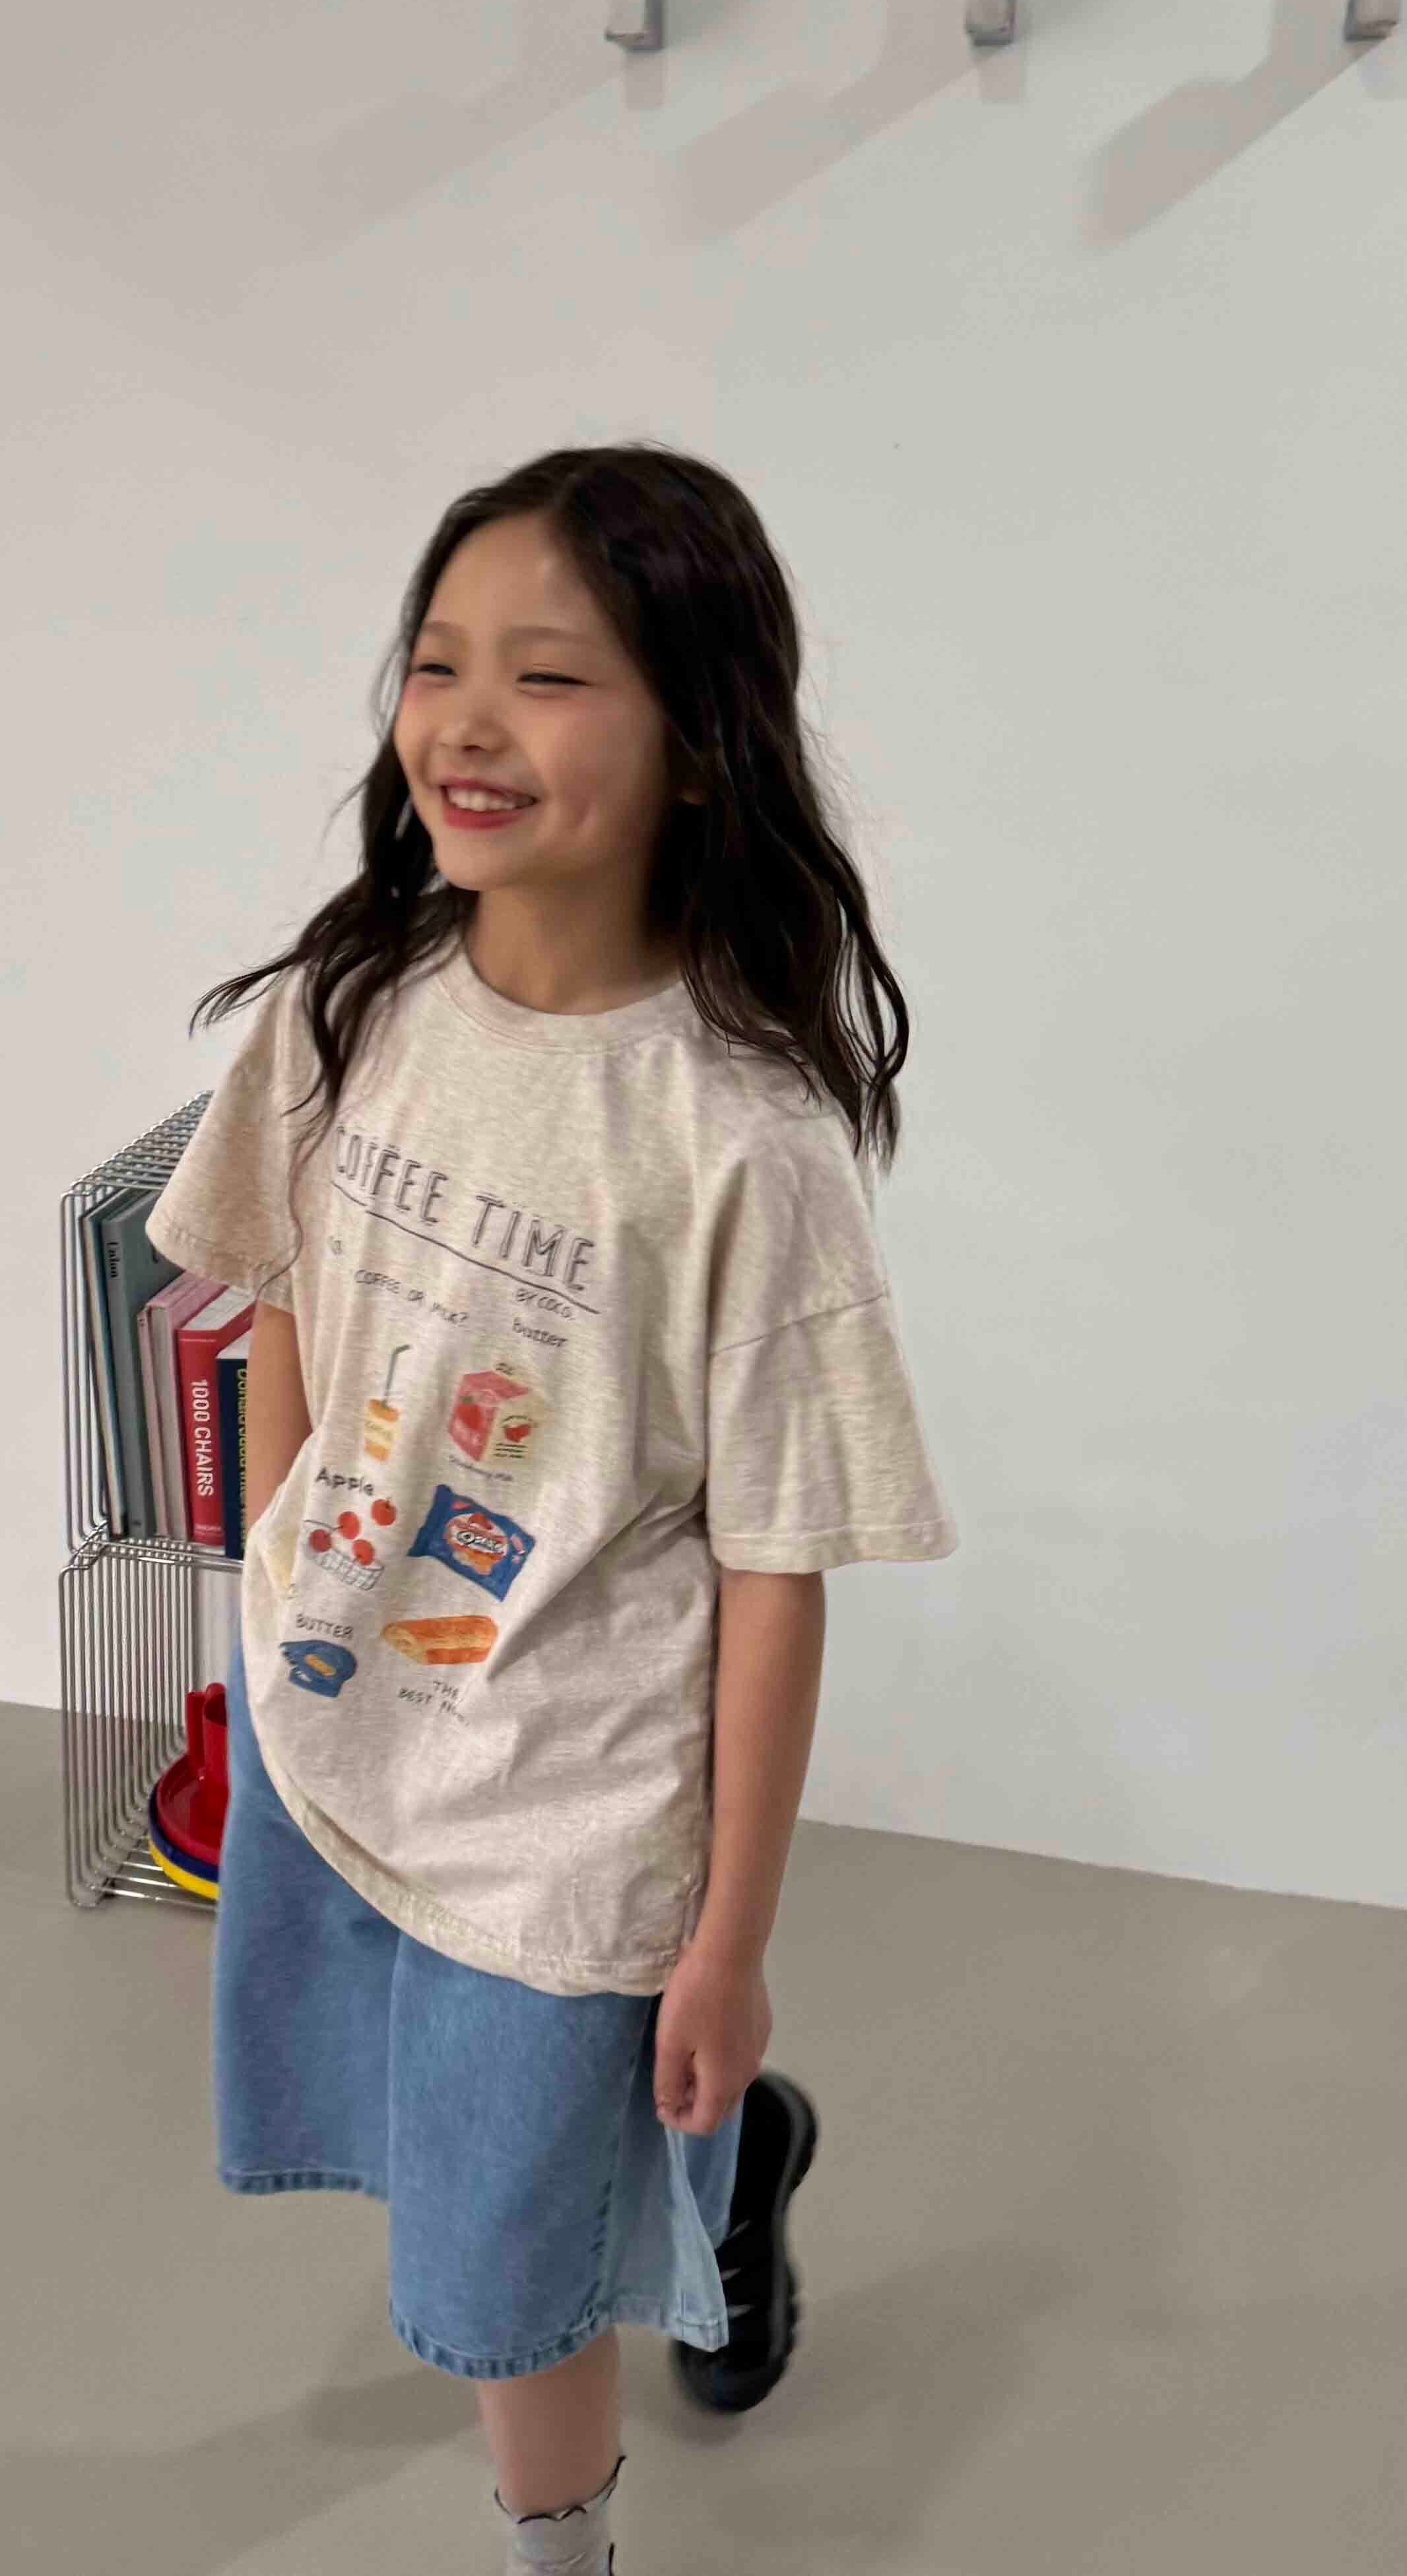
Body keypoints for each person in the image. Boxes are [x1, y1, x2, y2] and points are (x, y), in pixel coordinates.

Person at [145, 441, 958, 2575]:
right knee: (430, 2153)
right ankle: (729, 2170)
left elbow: (771, 1573)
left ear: (699, 741)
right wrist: (282, 1575)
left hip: (573, 1800)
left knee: (507, 2272)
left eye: (550, 673)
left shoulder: (740, 1138)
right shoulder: (346, 1008)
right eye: (436, 662)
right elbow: (280, 1296)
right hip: (345, 1722)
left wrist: (729, 1942)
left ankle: (560, 2551)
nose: (467, 721)